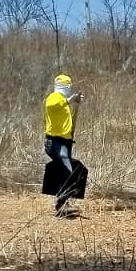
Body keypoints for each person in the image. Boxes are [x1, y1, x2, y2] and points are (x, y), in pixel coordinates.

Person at [43, 73, 85, 217]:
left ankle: (64, 202)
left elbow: (65, 121)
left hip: (63, 142)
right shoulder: (54, 97)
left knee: (71, 170)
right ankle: (61, 204)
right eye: (68, 86)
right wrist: (68, 100)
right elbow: (51, 104)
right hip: (55, 142)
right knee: (67, 169)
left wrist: (75, 104)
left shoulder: (63, 101)